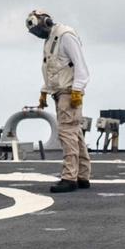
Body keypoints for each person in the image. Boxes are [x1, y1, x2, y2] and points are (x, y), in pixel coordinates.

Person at [27, 10, 91, 191]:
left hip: (69, 92)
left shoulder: (65, 36)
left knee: (66, 133)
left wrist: (77, 90)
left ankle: (69, 178)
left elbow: (81, 65)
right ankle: (82, 176)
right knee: (74, 133)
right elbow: (53, 69)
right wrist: (44, 91)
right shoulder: (50, 40)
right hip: (59, 92)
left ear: (46, 22)